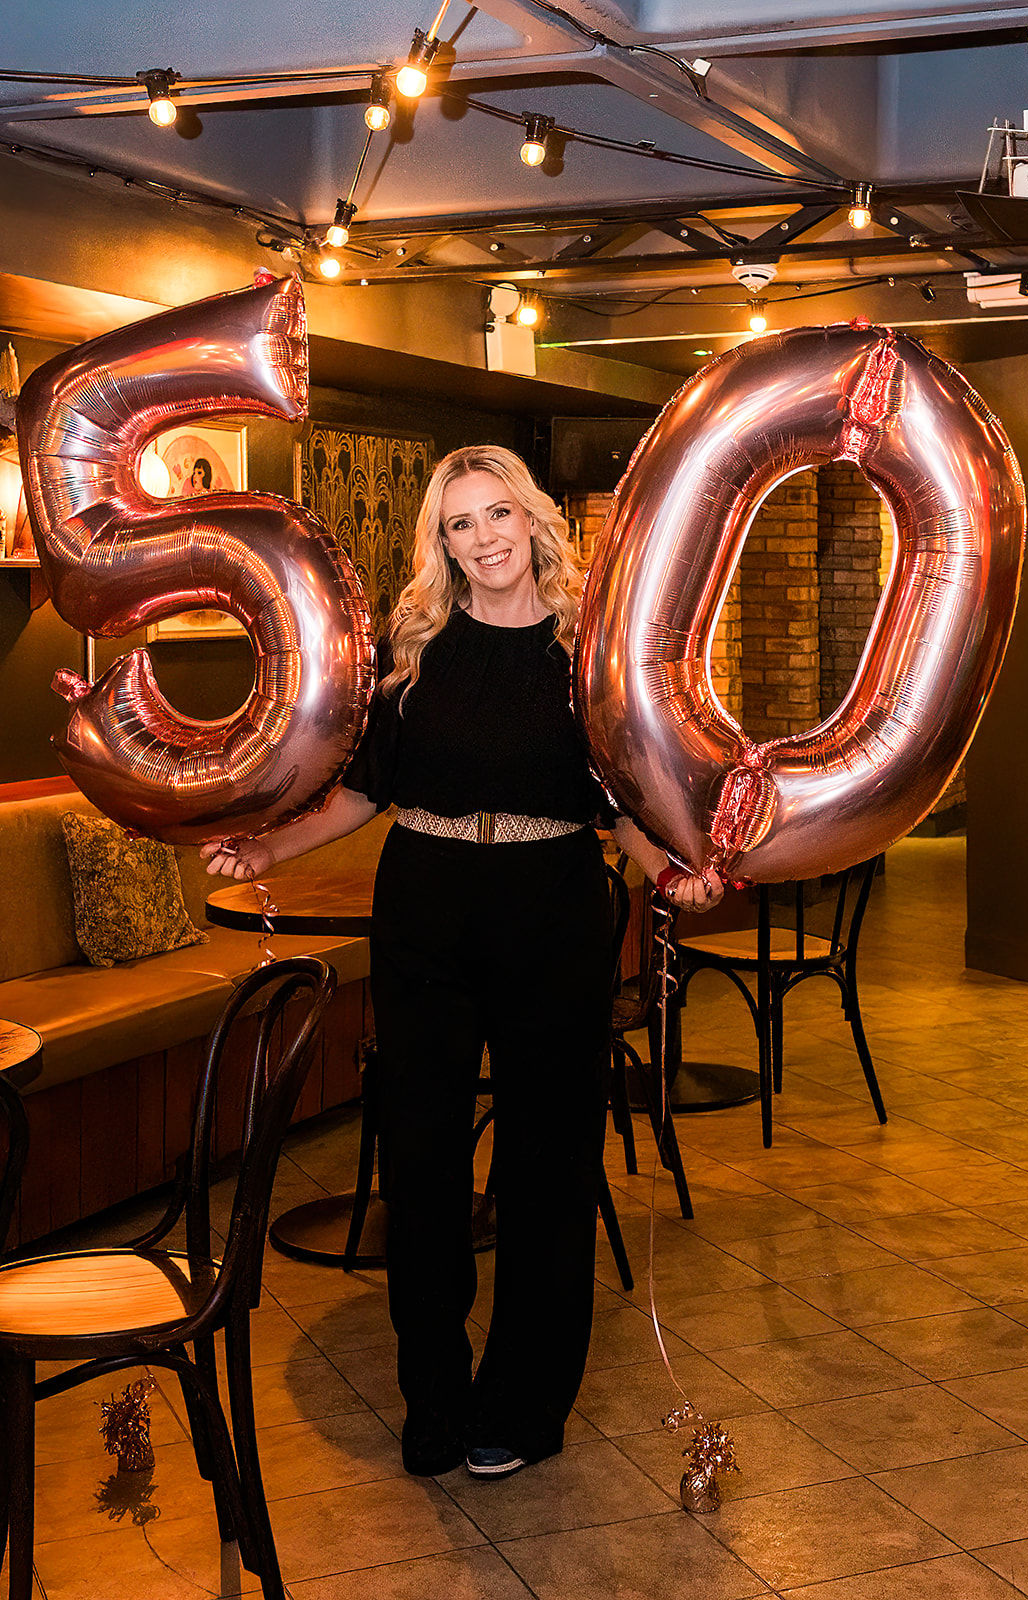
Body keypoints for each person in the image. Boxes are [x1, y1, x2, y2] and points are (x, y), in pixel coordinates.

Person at [203, 444, 722, 1480]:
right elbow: (361, 793)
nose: (483, 538)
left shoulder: (588, 657)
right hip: (426, 909)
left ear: (532, 521)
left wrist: (675, 875)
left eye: (497, 514)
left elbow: (620, 807)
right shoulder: (414, 651)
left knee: (547, 1163)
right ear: (439, 544)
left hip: (554, 911)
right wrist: (264, 850)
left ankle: (522, 1405)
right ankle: (433, 1397)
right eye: (459, 523)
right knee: (423, 1159)